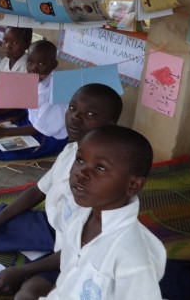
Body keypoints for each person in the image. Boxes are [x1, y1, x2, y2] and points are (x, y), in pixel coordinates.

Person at [0, 84, 123, 299]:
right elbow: (38, 191)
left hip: (82, 248)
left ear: (110, 124)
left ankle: (41, 266)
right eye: (72, 108)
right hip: (55, 228)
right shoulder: (72, 150)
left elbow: (82, 246)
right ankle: (42, 259)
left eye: (90, 114)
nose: (75, 118)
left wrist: (22, 271)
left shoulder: (107, 175)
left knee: (29, 292)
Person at [39, 125, 166, 300]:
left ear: (133, 185)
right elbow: (67, 278)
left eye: (101, 168)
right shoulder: (79, 218)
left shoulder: (132, 255)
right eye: (80, 160)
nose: (81, 173)